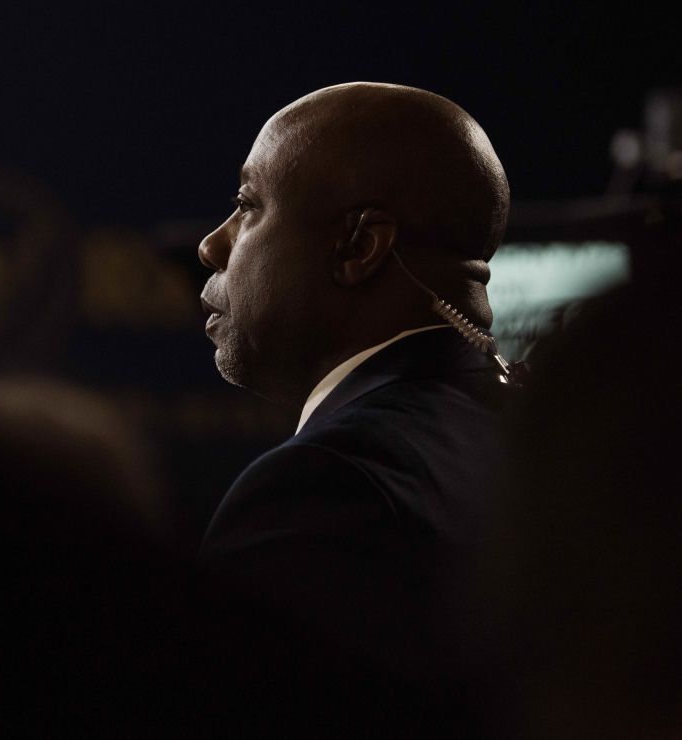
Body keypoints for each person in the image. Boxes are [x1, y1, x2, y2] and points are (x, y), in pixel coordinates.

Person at [196, 82, 512, 734]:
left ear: (358, 246)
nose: (212, 245)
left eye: (247, 205)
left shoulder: (325, 489)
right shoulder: (544, 435)